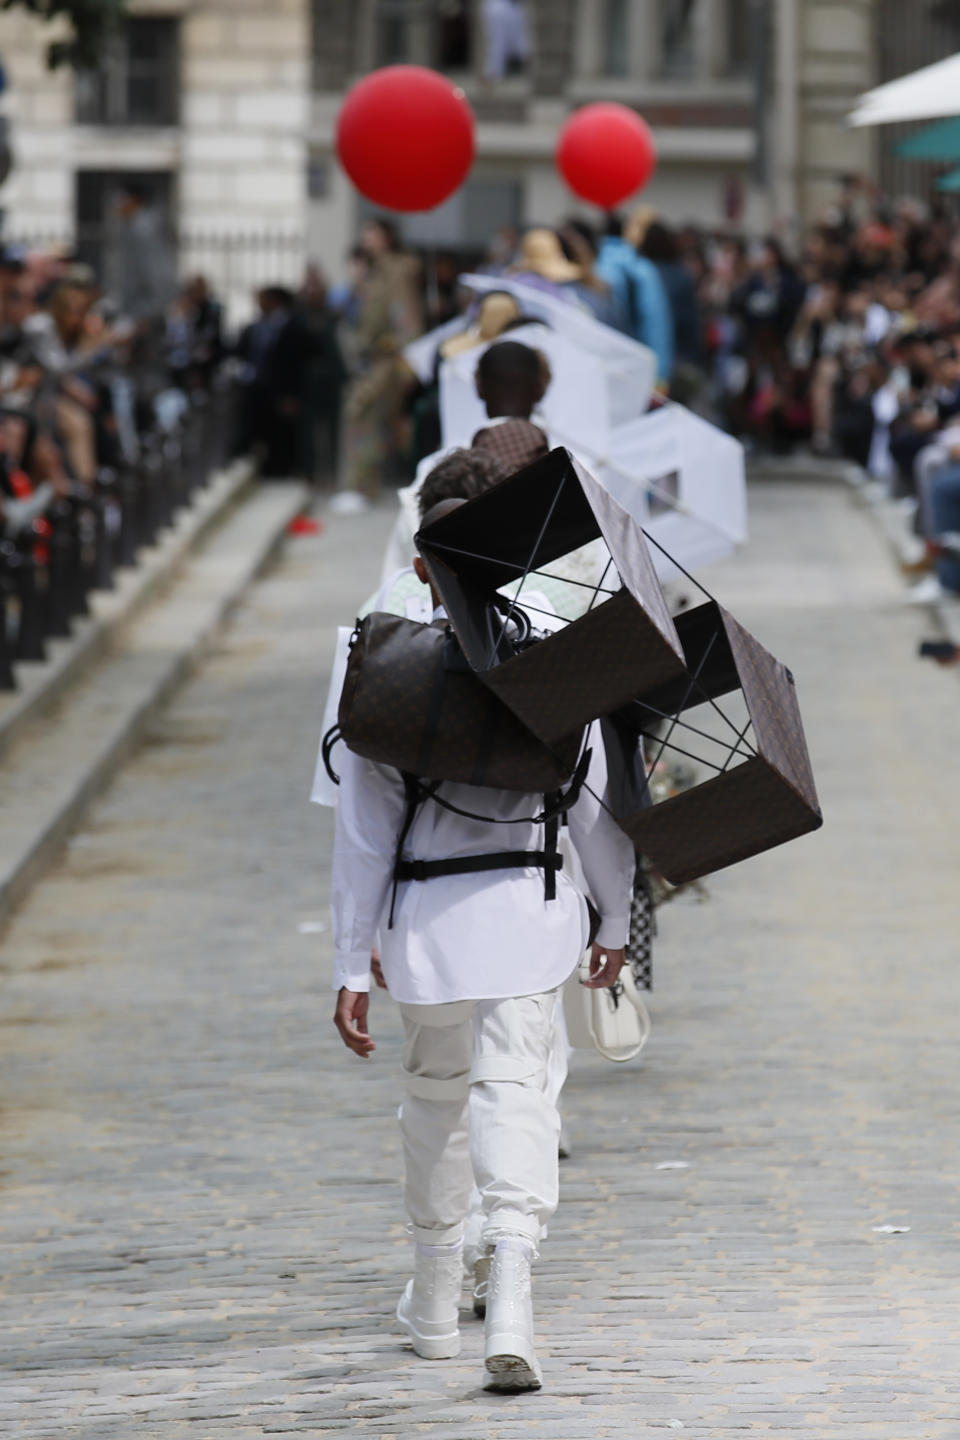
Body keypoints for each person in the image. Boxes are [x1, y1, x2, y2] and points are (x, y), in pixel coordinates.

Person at [331, 448, 635, 1392]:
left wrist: (351, 956)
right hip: (532, 904)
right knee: (516, 1093)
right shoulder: (555, 649)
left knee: (434, 1097)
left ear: (421, 561)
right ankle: (510, 1292)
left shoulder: (382, 661)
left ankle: (431, 1294)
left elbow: (364, 826)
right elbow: (593, 807)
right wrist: (616, 916)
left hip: (425, 918)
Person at [380, 339, 550, 582]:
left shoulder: (437, 469)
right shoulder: (576, 468)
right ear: (541, 388)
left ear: (479, 387)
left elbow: (398, 572)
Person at [334, 218, 423, 512]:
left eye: (371, 233)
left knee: (362, 414)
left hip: (389, 357)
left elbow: (403, 315)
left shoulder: (396, 270)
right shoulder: (372, 272)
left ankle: (361, 486)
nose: (366, 238)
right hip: (374, 356)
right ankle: (362, 486)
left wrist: (405, 355)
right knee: (367, 420)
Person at [596, 212, 673, 386]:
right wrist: (660, 377)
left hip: (600, 367)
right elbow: (655, 324)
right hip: (636, 366)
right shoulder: (641, 268)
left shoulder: (590, 266)